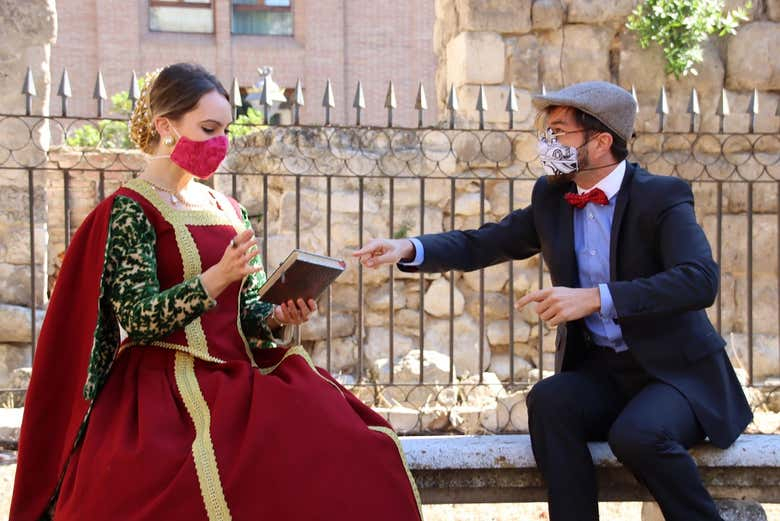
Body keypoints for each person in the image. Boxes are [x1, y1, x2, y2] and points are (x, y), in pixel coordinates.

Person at [11, 63, 422, 521]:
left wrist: (278, 315)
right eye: (208, 129)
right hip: (163, 384)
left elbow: (247, 309)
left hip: (240, 375)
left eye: (225, 129)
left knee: (347, 443)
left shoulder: (230, 210)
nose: (220, 142)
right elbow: (139, 318)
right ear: (166, 127)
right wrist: (216, 278)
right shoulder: (130, 210)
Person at [355, 81, 752, 521]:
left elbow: (699, 281)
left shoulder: (661, 196)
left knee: (637, 435)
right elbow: (485, 242)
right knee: (549, 401)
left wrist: (596, 298)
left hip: (674, 376)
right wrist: (408, 248)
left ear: (601, 141)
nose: (547, 142)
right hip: (604, 373)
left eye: (559, 132)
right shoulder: (552, 197)